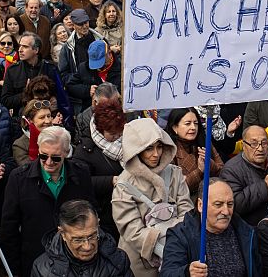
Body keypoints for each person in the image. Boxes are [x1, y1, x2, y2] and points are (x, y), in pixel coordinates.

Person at [1, 126, 96, 277]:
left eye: (56, 157)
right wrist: (15, 269)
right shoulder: (19, 178)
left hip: (76, 262)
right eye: (43, 156)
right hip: (34, 262)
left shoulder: (81, 173)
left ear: (66, 153)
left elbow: (91, 213)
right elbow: (9, 230)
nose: (49, 162)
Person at [113, 117, 193, 277]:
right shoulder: (123, 184)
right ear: (136, 150)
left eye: (159, 147)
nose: (156, 154)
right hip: (140, 260)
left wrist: (174, 247)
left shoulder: (175, 173)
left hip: (178, 254)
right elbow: (131, 230)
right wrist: (161, 245)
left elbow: (187, 211)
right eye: (149, 148)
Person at [160, 178, 261, 277]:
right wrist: (187, 272)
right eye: (218, 204)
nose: (226, 211)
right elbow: (167, 273)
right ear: (200, 205)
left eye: (230, 204)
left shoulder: (246, 233)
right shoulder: (180, 235)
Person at [31, 200, 133, 277]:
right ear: (62, 233)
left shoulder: (118, 260)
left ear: (98, 225)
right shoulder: (42, 269)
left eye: (92, 236)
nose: (87, 246)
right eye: (78, 240)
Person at [74, 96, 126, 239]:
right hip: (104, 214)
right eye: (112, 134)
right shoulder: (84, 149)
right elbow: (80, 182)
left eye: (119, 132)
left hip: (126, 209)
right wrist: (110, 181)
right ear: (100, 130)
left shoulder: (128, 140)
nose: (117, 137)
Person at [219, 125, 268, 226]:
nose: (260, 148)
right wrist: (264, 186)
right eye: (254, 144)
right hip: (251, 229)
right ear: (244, 145)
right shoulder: (230, 170)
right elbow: (235, 205)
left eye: (264, 143)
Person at [165, 107, 224, 196]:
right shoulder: (168, 149)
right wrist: (199, 171)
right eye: (187, 124)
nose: (193, 127)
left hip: (210, 196)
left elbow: (222, 171)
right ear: (175, 127)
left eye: (195, 123)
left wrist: (209, 163)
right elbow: (175, 187)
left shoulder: (205, 142)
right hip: (185, 202)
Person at [2, 32, 63, 114]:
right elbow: (6, 101)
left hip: (48, 115)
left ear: (36, 50)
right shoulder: (12, 70)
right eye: (20, 46)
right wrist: (26, 93)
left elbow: (60, 95)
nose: (20, 50)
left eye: (25, 47)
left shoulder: (51, 68)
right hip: (23, 116)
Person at [57, 9, 103, 113]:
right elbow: (64, 77)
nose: (84, 26)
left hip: (103, 92)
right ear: (73, 25)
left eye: (86, 22)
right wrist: (85, 89)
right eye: (80, 24)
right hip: (81, 100)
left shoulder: (100, 40)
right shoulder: (67, 48)